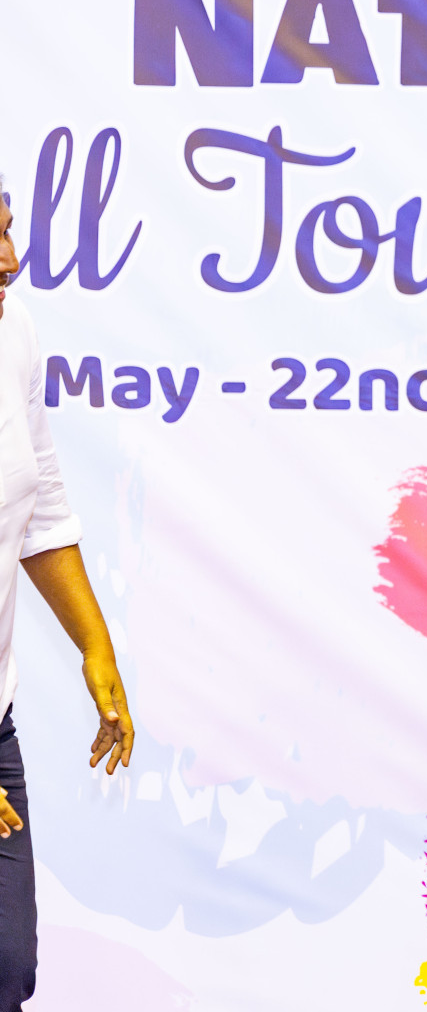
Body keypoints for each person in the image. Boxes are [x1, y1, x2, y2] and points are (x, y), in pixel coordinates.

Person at [0, 187, 136, 1010]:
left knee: (8, 972)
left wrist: (94, 646)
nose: (10, 258)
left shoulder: (12, 328)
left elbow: (40, 502)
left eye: (7, 228)